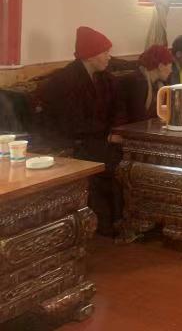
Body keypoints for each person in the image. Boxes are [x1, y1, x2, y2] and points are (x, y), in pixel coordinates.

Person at [40, 26, 120, 234]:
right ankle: (105, 222)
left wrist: (115, 131)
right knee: (113, 159)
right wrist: (108, 135)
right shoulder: (65, 81)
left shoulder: (104, 78)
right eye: (105, 52)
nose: (109, 57)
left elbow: (114, 110)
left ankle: (121, 218)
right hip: (69, 139)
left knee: (126, 153)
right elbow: (72, 123)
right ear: (90, 55)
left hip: (96, 135)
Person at [117, 44, 174, 124]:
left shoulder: (159, 83)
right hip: (130, 128)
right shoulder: (136, 82)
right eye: (170, 66)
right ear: (161, 66)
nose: (171, 71)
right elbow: (138, 118)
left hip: (146, 127)